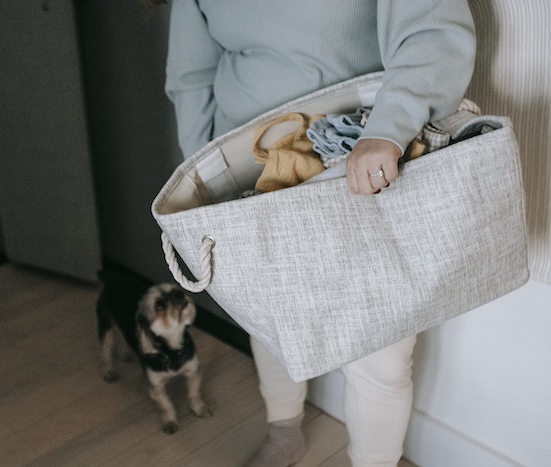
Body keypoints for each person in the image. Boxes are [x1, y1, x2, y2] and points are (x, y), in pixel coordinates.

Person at [157, 1, 476, 466]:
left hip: (357, 160)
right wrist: (207, 173)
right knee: (271, 320)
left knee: (381, 355)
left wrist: (388, 131)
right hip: (251, 172)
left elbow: (434, 30)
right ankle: (284, 431)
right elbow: (191, 74)